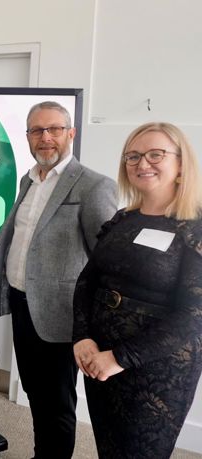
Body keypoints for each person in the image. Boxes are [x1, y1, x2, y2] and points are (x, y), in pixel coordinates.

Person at [0, 101, 117, 458]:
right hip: (23, 304)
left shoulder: (94, 186)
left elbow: (106, 263)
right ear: (29, 137)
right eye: (37, 130)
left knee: (58, 404)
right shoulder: (28, 180)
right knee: (36, 391)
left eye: (54, 129)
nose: (45, 137)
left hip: (61, 316)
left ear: (71, 133)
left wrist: (94, 327)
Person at [73, 122, 202, 458]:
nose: (142, 163)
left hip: (156, 369)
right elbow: (88, 281)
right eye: (133, 156)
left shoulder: (196, 228)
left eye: (155, 154)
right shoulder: (122, 219)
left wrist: (119, 358)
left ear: (180, 164)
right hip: (99, 358)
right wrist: (83, 337)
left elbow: (194, 316)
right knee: (108, 446)